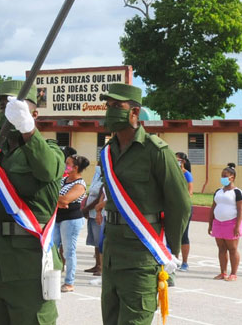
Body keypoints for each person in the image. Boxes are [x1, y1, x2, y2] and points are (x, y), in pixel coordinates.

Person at [0, 80, 65, 325]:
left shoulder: (50, 150)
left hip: (29, 264)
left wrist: (28, 130)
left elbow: (48, 170)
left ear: (34, 114)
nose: (6, 113)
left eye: (14, 107)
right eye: (2, 107)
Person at [95, 82, 190, 325]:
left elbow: (179, 204)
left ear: (135, 112)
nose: (110, 111)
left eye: (117, 106)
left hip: (142, 255)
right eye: (108, 106)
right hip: (112, 253)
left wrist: (170, 250)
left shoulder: (156, 151)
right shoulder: (107, 152)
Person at [55, 154, 89, 292]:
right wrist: (60, 200)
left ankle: (69, 282)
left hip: (71, 220)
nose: (65, 166)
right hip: (58, 217)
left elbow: (64, 200)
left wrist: (60, 200)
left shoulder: (79, 185)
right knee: (52, 248)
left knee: (69, 251)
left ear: (75, 167)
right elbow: (54, 195)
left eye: (68, 164)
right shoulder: (64, 180)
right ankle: (52, 278)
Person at [208, 163, 242, 281]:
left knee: (232, 249)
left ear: (232, 178)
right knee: (221, 248)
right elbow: (213, 207)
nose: (223, 178)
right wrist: (210, 223)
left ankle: (233, 273)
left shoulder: (237, 192)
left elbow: (240, 209)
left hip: (231, 223)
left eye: (225, 176)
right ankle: (223, 272)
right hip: (218, 223)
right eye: (222, 176)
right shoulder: (218, 191)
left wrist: (237, 226)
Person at [82, 157, 104, 276]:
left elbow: (99, 198)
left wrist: (86, 209)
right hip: (91, 213)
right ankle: (97, 264)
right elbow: (91, 193)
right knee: (95, 241)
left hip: (98, 213)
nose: (98, 165)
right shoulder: (97, 175)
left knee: (100, 241)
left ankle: (101, 267)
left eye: (100, 163)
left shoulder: (104, 178)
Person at [174, 152, 194, 271]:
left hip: (183, 207)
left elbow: (190, 192)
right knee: (173, 235)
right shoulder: (172, 173)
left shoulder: (187, 174)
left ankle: (185, 262)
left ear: (183, 161)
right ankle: (174, 260)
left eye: (178, 159)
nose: (175, 161)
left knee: (183, 235)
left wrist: (181, 200)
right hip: (172, 207)